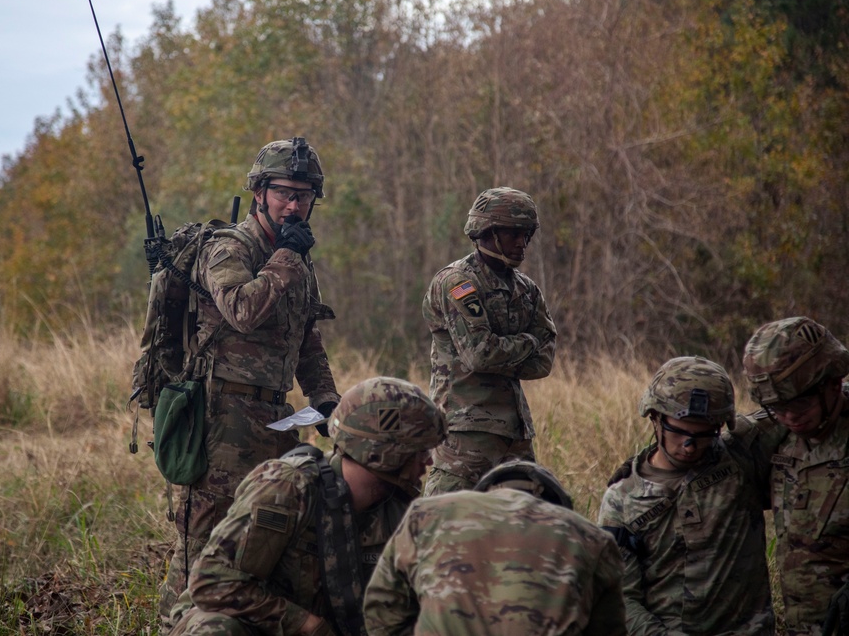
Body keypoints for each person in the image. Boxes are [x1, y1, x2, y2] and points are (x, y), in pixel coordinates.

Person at [158, 136, 341, 632]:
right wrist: (284, 258)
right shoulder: (229, 249)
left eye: (305, 195)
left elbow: (306, 338)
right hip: (220, 420)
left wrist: (325, 399)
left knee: (264, 540)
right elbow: (241, 310)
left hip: (276, 421)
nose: (295, 204)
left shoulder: (297, 257)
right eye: (284, 192)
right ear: (259, 192)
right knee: (200, 546)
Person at [168, 376, 447, 636]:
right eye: (420, 450)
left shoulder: (399, 510)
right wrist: (307, 625)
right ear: (382, 452)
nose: (429, 462)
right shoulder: (288, 488)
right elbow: (213, 584)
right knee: (213, 628)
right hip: (256, 625)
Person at [598, 356, 781, 635]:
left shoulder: (739, 455)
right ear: (655, 417)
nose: (690, 446)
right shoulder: (621, 499)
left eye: (705, 434)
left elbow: (802, 400)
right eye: (679, 431)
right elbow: (621, 598)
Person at [364, 460, 627, 635]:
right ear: (555, 506)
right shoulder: (593, 540)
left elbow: (382, 610)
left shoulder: (427, 514)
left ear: (486, 493)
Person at [421, 187, 557, 496]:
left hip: (516, 433)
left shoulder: (527, 289)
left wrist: (507, 349)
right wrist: (527, 342)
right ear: (487, 232)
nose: (522, 243)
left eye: (527, 235)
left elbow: (545, 360)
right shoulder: (458, 282)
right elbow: (480, 355)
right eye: (513, 234)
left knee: (522, 530)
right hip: (466, 433)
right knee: (445, 526)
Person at [743, 317, 849, 636]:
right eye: (777, 406)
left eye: (800, 402)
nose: (789, 416)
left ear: (832, 382)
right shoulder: (776, 435)